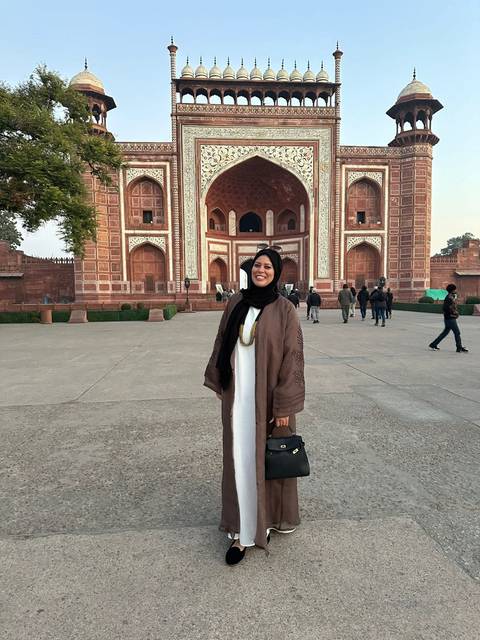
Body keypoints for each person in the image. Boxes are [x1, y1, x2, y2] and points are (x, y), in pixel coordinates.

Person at [204, 248, 305, 565]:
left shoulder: (284, 309)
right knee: (239, 460)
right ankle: (239, 531)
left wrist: (285, 404)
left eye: (267, 267)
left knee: (268, 460)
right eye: (257, 266)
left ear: (276, 272)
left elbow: (292, 358)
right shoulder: (236, 303)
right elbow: (222, 342)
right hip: (239, 397)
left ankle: (268, 520)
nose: (261, 270)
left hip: (269, 399)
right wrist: (219, 380)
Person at [429, 284, 469, 353]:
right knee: (457, 332)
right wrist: (454, 313)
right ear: (453, 290)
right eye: (455, 289)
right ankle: (459, 348)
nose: (456, 291)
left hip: (449, 318)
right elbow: (446, 308)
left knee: (445, 333)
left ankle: (433, 344)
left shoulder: (451, 297)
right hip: (450, 319)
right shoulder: (449, 298)